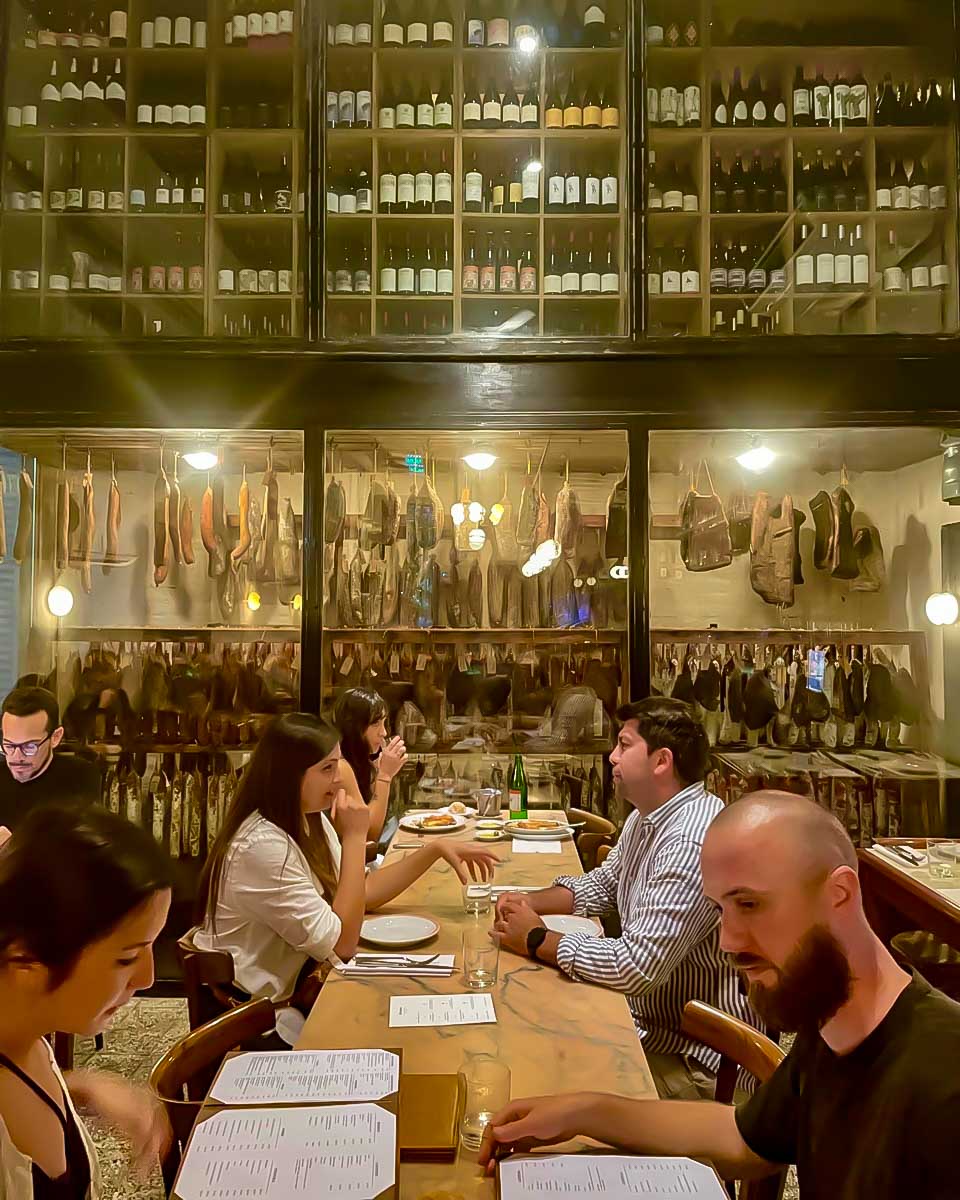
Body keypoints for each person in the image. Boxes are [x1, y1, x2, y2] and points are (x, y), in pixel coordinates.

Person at [479, 791, 960, 1198]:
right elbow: (744, 1138)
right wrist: (584, 1111)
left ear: (840, 894)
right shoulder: (834, 1020)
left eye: (750, 904)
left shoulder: (941, 1079)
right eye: (721, 909)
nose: (728, 941)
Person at [491, 697, 758, 1101]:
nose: (612, 757)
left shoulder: (690, 840)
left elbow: (634, 967)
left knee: (543, 1076)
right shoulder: (647, 816)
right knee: (527, 1029)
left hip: (697, 1063)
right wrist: (524, 900)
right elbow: (603, 885)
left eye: (624, 745)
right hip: (650, 1026)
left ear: (661, 761)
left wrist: (535, 939)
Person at [195, 712, 499, 1044]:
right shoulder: (263, 847)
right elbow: (343, 944)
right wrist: (354, 838)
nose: (338, 780)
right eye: (327, 769)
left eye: (337, 766)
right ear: (288, 776)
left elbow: (361, 893)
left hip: (304, 991)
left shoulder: (306, 818)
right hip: (265, 1020)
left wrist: (435, 848)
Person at [0, 804, 173, 1198]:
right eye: (126, 957)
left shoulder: (25, 1036)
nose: (146, 978)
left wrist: (82, 1087)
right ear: (28, 958)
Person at [0, 687, 101, 832]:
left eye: (29, 746)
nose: (17, 757)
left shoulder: (80, 777)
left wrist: (12, 846)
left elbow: (84, 844)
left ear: (55, 737)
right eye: (9, 745)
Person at [334, 688, 407, 841]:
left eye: (384, 722)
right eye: (375, 723)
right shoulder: (339, 766)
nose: (384, 732)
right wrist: (385, 776)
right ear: (353, 726)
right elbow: (369, 834)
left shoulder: (365, 764)